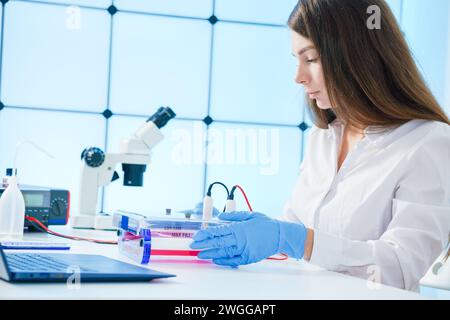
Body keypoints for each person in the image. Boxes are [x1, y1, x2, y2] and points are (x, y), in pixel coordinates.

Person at [189, 0, 450, 291]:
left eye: (310, 59)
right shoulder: (323, 137)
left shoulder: (428, 142)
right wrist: (255, 232)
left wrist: (293, 238)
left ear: (358, 55)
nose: (298, 77)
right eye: (296, 60)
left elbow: (400, 266)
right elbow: (297, 236)